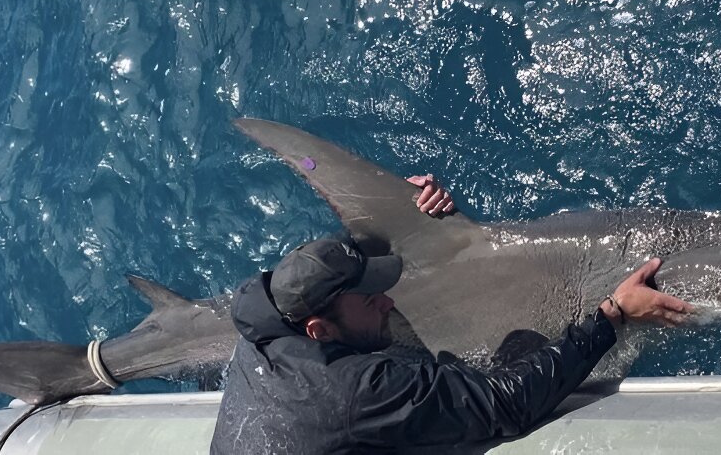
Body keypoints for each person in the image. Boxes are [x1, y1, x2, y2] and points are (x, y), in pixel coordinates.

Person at [210, 177, 691, 454]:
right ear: (319, 329)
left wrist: (412, 220)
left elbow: (335, 267)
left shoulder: (261, 323)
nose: (389, 300)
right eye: (371, 299)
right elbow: (505, 407)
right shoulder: (361, 391)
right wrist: (612, 315)